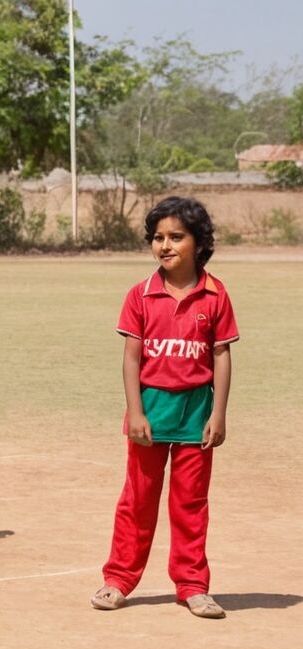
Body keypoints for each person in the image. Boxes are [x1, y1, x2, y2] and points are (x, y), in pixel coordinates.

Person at [92, 196, 238, 619]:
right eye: (158, 238)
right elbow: (132, 359)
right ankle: (118, 579)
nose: (165, 245)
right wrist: (135, 412)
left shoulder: (215, 295)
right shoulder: (141, 295)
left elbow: (222, 356)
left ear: (199, 242)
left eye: (176, 237)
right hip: (150, 416)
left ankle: (192, 586)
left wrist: (219, 413)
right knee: (137, 500)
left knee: (190, 504)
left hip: (196, 416)